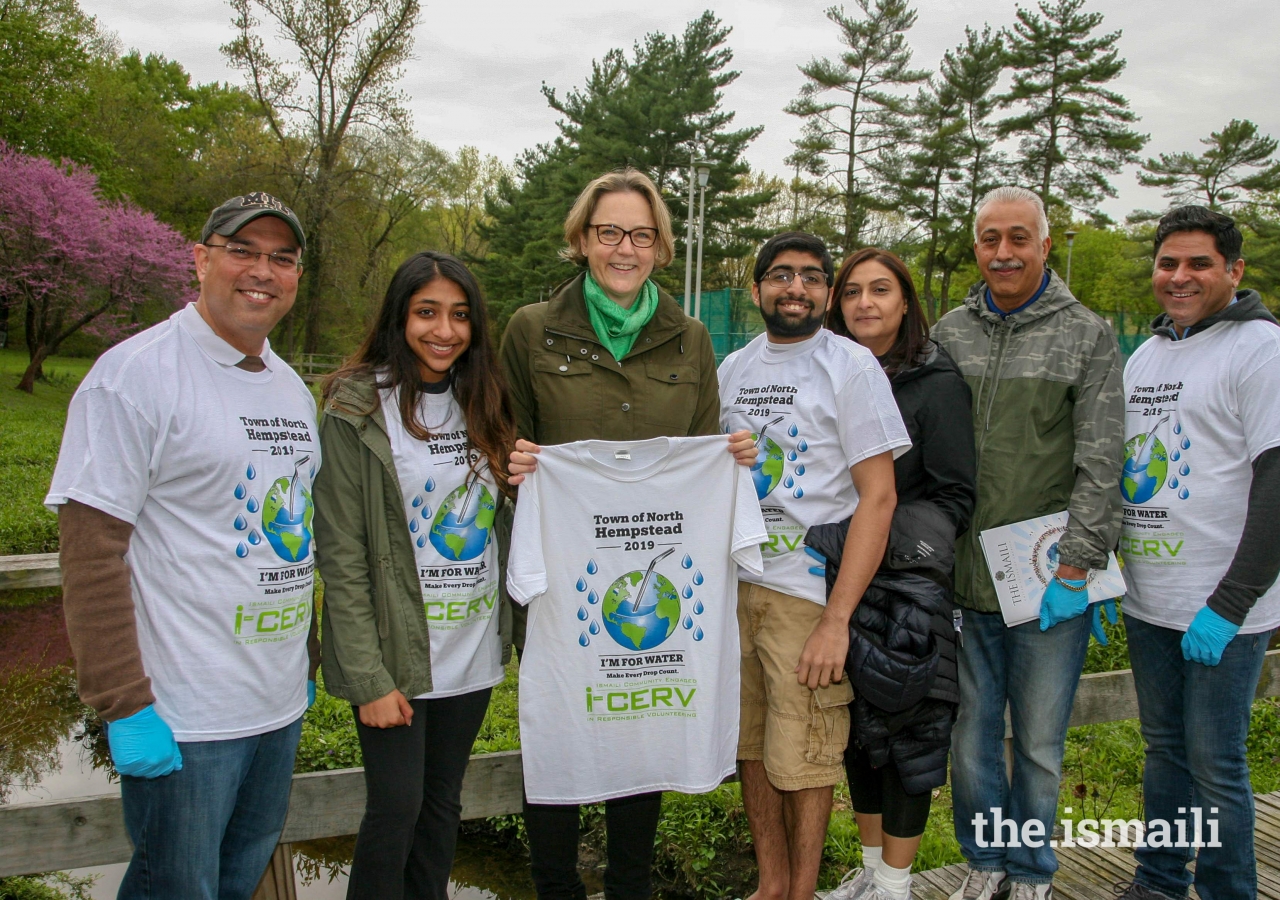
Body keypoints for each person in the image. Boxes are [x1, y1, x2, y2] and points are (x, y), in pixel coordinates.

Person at [45, 193, 318, 900]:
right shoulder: (133, 377)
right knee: (176, 889)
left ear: (295, 277)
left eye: (281, 258)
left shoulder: (290, 389)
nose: (262, 271)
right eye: (242, 250)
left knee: (234, 884)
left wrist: (306, 658)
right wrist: (123, 705)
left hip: (276, 705)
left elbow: (286, 533)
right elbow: (90, 552)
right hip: (186, 715)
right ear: (200, 259)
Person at [499, 167, 757, 900]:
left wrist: (728, 458)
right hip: (564, 570)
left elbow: (702, 452)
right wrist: (511, 460)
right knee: (556, 717)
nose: (625, 247)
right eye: (609, 231)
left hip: (657, 578)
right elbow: (501, 435)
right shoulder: (530, 329)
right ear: (581, 240)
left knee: (640, 714)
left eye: (642, 235)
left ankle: (631, 887)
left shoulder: (691, 338)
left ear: (662, 248)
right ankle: (555, 887)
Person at [931, 186, 1124, 900]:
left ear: (1044, 244)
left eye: (1019, 238)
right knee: (971, 737)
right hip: (962, 579)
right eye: (990, 239)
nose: (1004, 253)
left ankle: (1032, 869)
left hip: (1047, 582)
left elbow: (1103, 459)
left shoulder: (1085, 334)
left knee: (1039, 743)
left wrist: (1078, 562)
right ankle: (984, 861)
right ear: (976, 246)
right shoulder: (950, 332)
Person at [312, 251, 515, 900]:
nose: (444, 331)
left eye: (460, 316)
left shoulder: (485, 397)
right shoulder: (357, 403)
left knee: (439, 809)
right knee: (395, 810)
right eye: (427, 312)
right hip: (397, 652)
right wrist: (367, 677)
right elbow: (341, 554)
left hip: (471, 645)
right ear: (399, 317)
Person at [716, 232, 909, 900]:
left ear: (827, 290)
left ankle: (801, 891)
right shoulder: (733, 367)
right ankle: (771, 884)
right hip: (736, 587)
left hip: (806, 593)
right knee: (752, 746)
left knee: (805, 753)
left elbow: (878, 497)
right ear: (757, 288)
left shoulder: (851, 367)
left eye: (810, 277)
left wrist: (837, 619)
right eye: (780, 275)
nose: (795, 288)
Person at [1116, 206, 1280, 900]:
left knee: (1217, 765)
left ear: (1234, 271)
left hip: (1222, 609)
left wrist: (1231, 603)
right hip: (1150, 600)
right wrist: (1106, 576)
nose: (1179, 277)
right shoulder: (1149, 354)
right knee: (1165, 753)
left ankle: (1227, 891)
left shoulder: (1260, 349)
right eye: (1168, 263)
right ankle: (1158, 880)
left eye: (1199, 264)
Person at [814, 248, 976, 900]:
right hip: (840, 576)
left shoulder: (934, 382)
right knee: (861, 736)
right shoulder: (829, 373)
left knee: (911, 734)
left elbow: (956, 495)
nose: (864, 303)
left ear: (906, 301)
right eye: (851, 291)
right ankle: (871, 868)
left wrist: (882, 533)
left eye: (880, 290)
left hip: (908, 587)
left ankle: (897, 883)